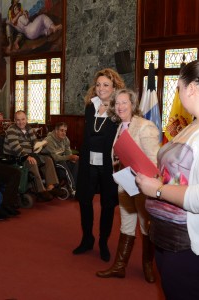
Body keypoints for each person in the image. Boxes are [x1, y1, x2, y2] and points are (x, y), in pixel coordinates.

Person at [135, 57, 199, 299]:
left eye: (178, 88)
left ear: (191, 88)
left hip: (198, 249)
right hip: (173, 241)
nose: (178, 94)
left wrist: (158, 191)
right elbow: (184, 175)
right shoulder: (197, 124)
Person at [96, 89, 160, 283]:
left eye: (125, 102)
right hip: (124, 184)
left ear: (132, 104)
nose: (121, 106)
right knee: (126, 224)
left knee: (145, 227)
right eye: (117, 103)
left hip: (142, 186)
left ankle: (148, 266)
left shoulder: (145, 126)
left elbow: (154, 162)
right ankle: (119, 266)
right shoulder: (120, 126)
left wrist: (144, 181)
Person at [73, 68, 125, 262]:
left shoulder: (118, 109)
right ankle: (87, 238)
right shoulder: (90, 106)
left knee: (107, 204)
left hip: (107, 165)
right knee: (85, 201)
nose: (101, 88)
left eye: (106, 85)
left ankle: (103, 242)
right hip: (88, 163)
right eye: (98, 84)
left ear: (114, 87)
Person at [3, 110, 63, 201]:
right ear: (14, 120)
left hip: (30, 154)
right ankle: (40, 190)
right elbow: (16, 147)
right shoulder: (11, 130)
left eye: (23, 119)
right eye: (18, 120)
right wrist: (27, 156)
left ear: (26, 119)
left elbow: (34, 142)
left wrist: (40, 144)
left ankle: (51, 186)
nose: (21, 122)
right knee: (32, 162)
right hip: (15, 156)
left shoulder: (28, 128)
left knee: (48, 159)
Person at [43, 122, 79, 196]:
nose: (64, 133)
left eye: (65, 131)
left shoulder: (66, 139)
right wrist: (69, 157)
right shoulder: (49, 140)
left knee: (76, 162)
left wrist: (72, 158)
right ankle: (73, 190)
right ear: (56, 131)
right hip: (51, 163)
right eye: (61, 130)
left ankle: (76, 186)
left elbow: (68, 153)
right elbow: (55, 158)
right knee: (63, 164)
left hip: (62, 160)